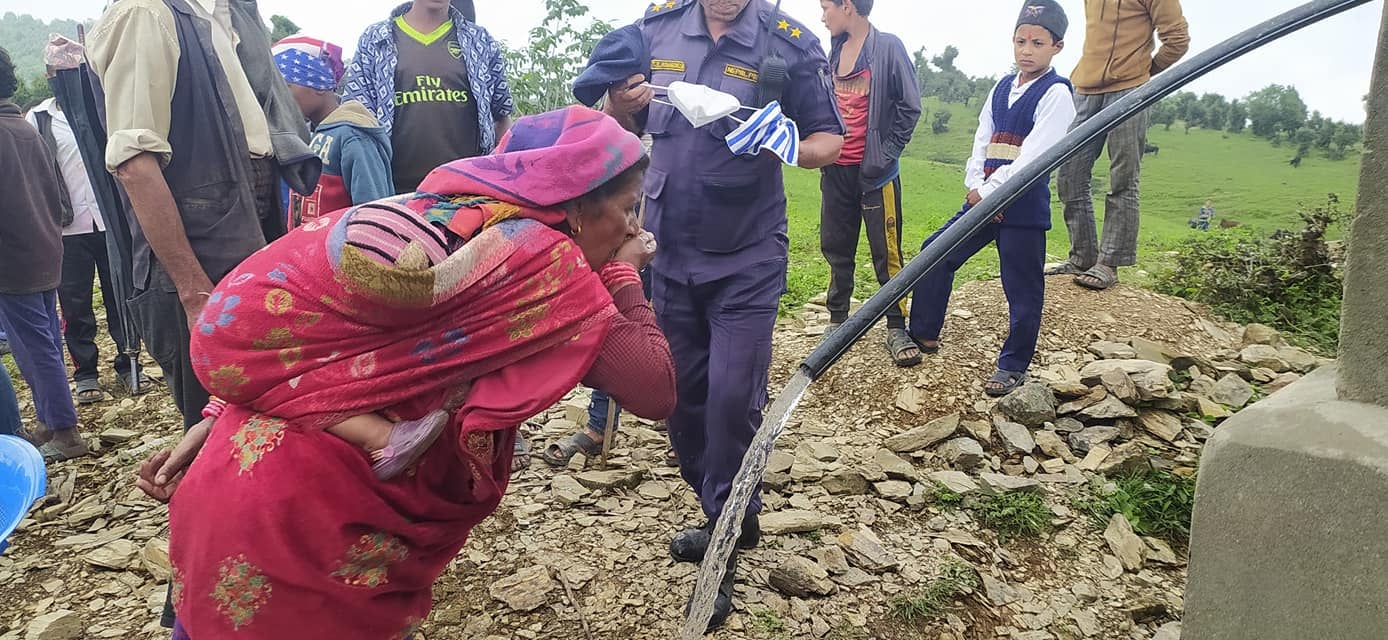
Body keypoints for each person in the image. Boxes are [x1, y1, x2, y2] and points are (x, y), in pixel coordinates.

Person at [134, 106, 674, 639]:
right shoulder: (541, 271)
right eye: (629, 208)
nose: (633, 225)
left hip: (233, 486)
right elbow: (652, 386)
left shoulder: (435, 215)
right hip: (309, 526)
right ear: (576, 205)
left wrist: (215, 414)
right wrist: (624, 275)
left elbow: (312, 336)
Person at [594, 0, 845, 630]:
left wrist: (791, 143)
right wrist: (619, 107)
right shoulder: (654, 32)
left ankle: (724, 542)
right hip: (670, 252)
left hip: (748, 257)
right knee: (680, 402)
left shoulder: (789, 43)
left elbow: (831, 140)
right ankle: (727, 505)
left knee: (735, 399)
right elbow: (616, 121)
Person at [88, 0, 319, 431]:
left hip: (247, 235)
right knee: (217, 428)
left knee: (268, 416)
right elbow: (135, 163)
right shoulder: (146, 12)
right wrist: (195, 293)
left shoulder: (227, 16)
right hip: (196, 260)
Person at [908, 0, 1077, 398]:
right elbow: (981, 139)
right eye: (1021, 41)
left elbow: (1034, 155)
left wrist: (987, 191)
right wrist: (974, 183)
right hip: (982, 200)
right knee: (934, 252)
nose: (1027, 50)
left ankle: (1013, 365)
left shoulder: (1056, 94)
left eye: (1038, 42)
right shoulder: (1002, 88)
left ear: (1057, 47)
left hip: (1021, 208)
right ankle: (924, 333)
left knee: (1021, 288)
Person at [1051, 0, 1189, 290]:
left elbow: (1177, 40)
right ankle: (1082, 256)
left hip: (1129, 89)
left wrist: (1142, 73)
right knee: (1069, 174)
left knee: (1123, 177)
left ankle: (1109, 262)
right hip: (1086, 89)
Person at [817, 0, 922, 367]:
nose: (822, 15)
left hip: (876, 174)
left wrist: (884, 155)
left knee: (887, 252)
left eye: (826, 6)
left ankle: (896, 325)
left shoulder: (888, 47)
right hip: (836, 170)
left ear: (847, 5)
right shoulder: (834, 47)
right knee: (836, 246)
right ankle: (837, 321)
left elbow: (910, 106)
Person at [27, 90, 148, 405]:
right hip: (67, 227)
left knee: (119, 297)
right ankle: (86, 374)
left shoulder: (101, 109)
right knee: (75, 304)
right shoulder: (39, 119)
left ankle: (129, 361)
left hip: (108, 221)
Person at [0, 46, 90, 461]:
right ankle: (49, 419)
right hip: (42, 248)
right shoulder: (24, 127)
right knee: (44, 340)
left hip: (13, 259)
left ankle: (65, 432)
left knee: (35, 346)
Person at [345, 0, 515, 195]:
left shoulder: (480, 42)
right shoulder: (376, 39)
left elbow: (501, 115)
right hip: (393, 195)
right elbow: (354, 119)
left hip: (466, 196)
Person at [274, 36, 395, 228]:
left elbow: (374, 213)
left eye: (286, 87)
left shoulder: (353, 136)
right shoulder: (303, 137)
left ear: (319, 84)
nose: (279, 97)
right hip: (305, 253)